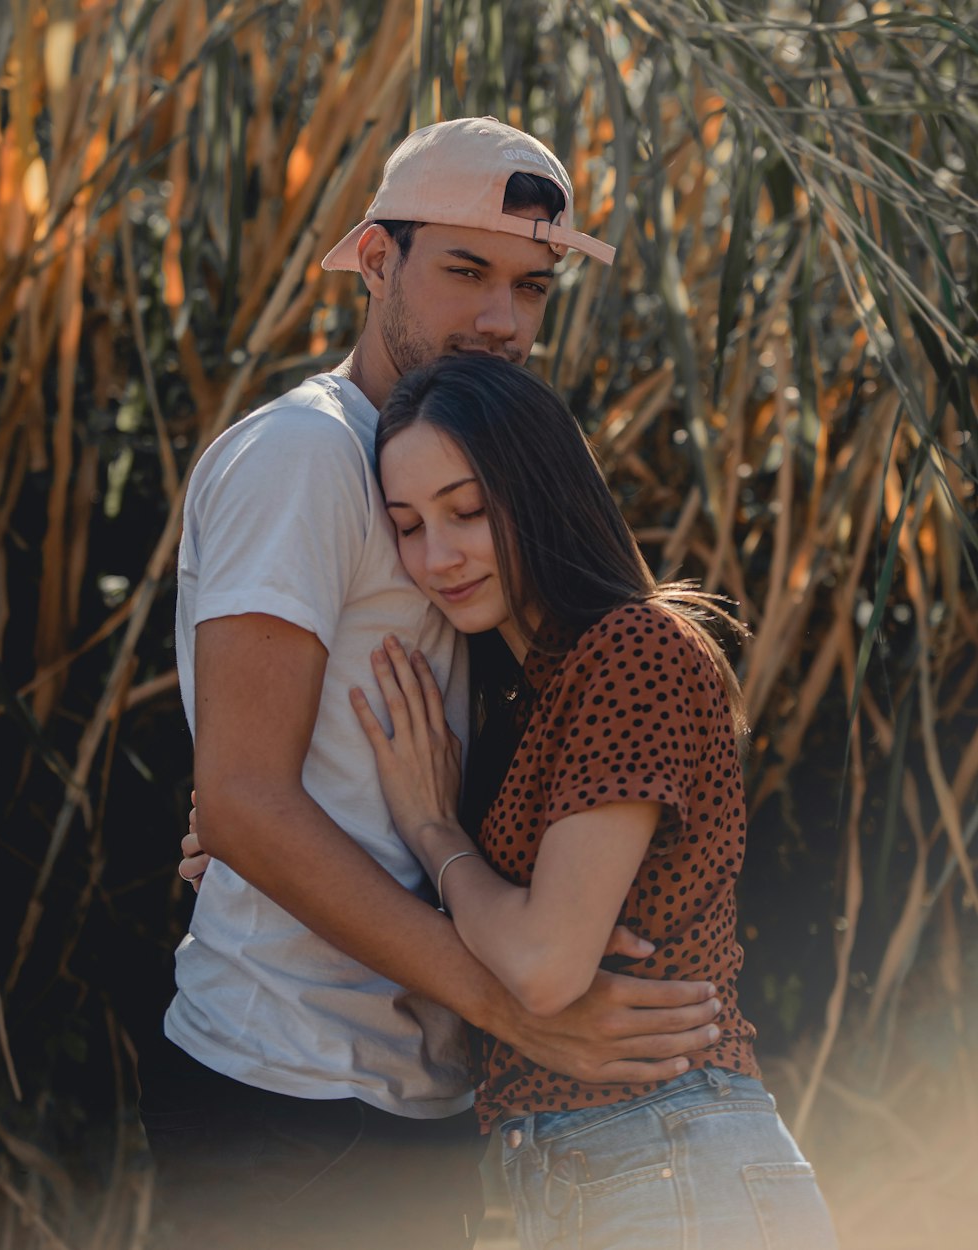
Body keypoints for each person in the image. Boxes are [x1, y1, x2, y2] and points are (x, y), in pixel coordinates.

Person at [141, 117, 723, 1250]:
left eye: (531, 286)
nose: (502, 319)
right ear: (374, 261)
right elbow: (247, 799)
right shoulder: (305, 454)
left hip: (420, 1089)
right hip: (292, 1084)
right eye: (465, 271)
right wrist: (521, 1008)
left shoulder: (462, 462)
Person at [349, 354, 840, 1250]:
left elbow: (542, 966)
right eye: (408, 526)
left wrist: (433, 831)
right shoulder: (533, 692)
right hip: (614, 1171)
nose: (437, 556)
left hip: (670, 1156)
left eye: (467, 511)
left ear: (537, 490)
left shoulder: (635, 650)